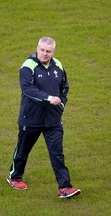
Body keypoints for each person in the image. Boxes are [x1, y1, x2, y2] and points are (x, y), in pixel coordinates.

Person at [7, 37, 81, 198]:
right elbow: (27, 89)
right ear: (37, 48)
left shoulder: (58, 65)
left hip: (53, 120)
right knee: (23, 150)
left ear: (53, 52)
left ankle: (64, 187)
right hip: (30, 118)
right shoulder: (28, 66)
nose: (44, 54)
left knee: (57, 153)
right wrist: (48, 98)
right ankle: (14, 177)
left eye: (48, 51)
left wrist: (61, 105)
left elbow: (64, 87)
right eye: (42, 50)